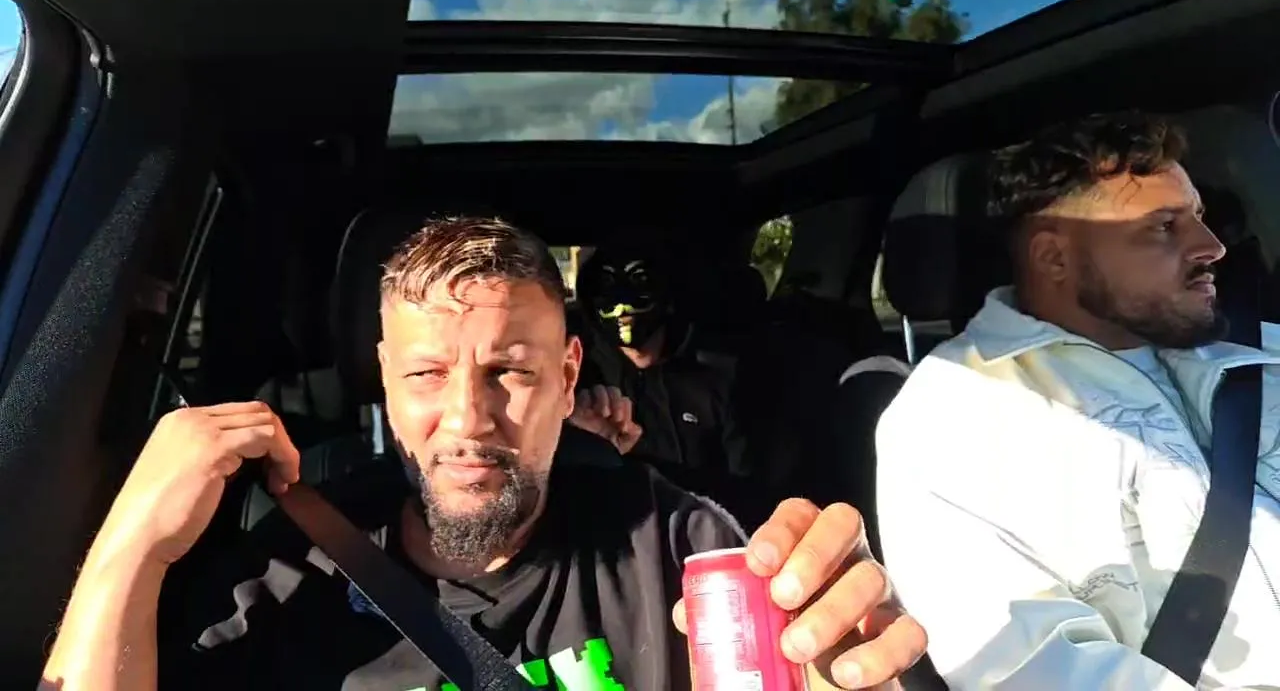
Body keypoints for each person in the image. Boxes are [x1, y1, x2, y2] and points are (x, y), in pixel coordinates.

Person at [42, 217, 926, 690]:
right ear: (384, 379)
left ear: (568, 376)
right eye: (427, 373)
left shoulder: (681, 550)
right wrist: (132, 545)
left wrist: (834, 664)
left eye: (510, 371)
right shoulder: (281, 578)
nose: (468, 418)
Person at [875, 111, 1280, 689]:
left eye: (1199, 218)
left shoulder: (1262, 350)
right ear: (1054, 259)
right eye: (1164, 227)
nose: (1213, 247)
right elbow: (1037, 671)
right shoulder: (955, 416)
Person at [569, 241, 763, 525]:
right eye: (606, 284)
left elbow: (749, 491)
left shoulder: (721, 377)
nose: (622, 302)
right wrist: (589, 448)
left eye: (640, 280)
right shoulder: (576, 381)